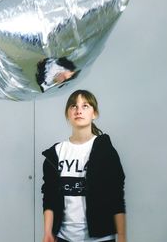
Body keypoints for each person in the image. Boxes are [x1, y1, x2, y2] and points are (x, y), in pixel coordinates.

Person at [41, 89, 127, 242]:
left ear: (94, 114)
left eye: (85, 106)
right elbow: (49, 196)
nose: (78, 110)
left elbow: (116, 195)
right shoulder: (55, 153)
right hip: (63, 237)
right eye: (73, 106)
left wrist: (122, 236)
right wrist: (48, 231)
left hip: (101, 238)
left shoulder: (105, 150)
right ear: (67, 114)